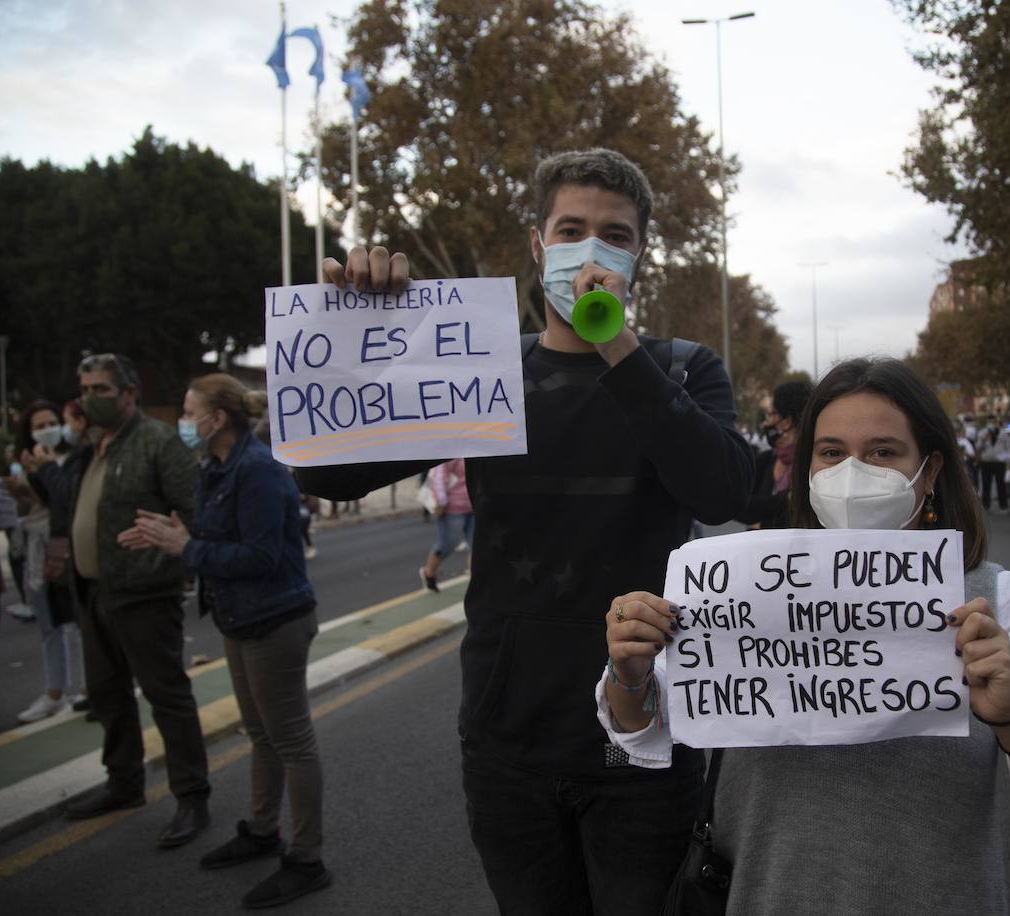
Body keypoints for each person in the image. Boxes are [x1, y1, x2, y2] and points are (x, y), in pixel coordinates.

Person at [297, 148, 754, 914]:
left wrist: (618, 349)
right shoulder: (481, 373)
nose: (589, 249)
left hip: (641, 738)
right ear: (538, 246)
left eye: (614, 234)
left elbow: (724, 487)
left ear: (640, 255)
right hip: (509, 740)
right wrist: (352, 332)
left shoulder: (681, 371)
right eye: (570, 229)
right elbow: (325, 474)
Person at [598, 357, 1010, 913]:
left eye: (882, 452)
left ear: (929, 469)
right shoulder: (740, 584)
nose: (852, 472)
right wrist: (628, 670)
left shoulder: (997, 600)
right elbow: (639, 726)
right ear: (808, 470)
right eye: (831, 452)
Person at [122, 373, 331, 907]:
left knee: (291, 741)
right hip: (241, 620)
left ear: (216, 420)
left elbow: (259, 557)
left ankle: (307, 859)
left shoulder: (257, 470)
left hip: (275, 621)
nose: (182, 423)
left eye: (189, 414)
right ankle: (263, 831)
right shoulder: (214, 466)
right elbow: (218, 538)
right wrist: (171, 532)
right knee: (260, 734)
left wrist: (185, 548)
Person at [57, 353, 212, 849]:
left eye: (101, 389)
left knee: (166, 695)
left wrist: (169, 544)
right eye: (84, 389)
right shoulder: (93, 446)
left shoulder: (157, 442)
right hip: (96, 592)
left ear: (129, 392)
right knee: (107, 695)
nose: (89, 398)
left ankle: (191, 796)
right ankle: (123, 782)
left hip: (146, 593)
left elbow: (194, 514)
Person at [13, 401, 85, 723]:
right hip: (40, 548)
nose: (47, 430)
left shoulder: (75, 457)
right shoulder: (28, 463)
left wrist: (45, 471)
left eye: (51, 422)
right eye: (38, 426)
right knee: (50, 625)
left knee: (79, 623)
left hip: (69, 548)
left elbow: (65, 499)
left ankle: (87, 688)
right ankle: (54, 691)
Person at [738, 380, 812, 530]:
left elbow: (801, 514)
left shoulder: (813, 465)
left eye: (771, 414)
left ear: (787, 420)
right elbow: (739, 506)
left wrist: (763, 524)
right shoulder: (765, 460)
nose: (766, 423)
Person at [419, 458, 473, 592]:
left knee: (476, 546)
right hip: (452, 508)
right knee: (447, 544)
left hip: (475, 506)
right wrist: (441, 502)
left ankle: (474, 583)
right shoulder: (454, 450)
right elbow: (439, 476)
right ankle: (428, 572)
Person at [976, 416, 1010, 511]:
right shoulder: (982, 433)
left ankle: (1003, 505)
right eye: (989, 422)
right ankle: (986, 504)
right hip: (986, 462)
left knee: (1001, 484)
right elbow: (977, 447)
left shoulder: (1003, 433)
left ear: (996, 423)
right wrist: (984, 439)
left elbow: (1008, 449)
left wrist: (1008, 463)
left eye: (993, 422)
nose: (991, 424)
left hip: (999, 462)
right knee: (986, 484)